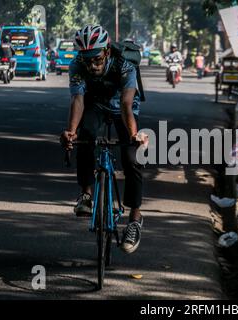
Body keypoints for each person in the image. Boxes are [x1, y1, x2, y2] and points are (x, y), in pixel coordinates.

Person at [60, 25, 148, 254]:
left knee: (132, 156)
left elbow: (128, 105)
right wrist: (70, 131)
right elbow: (77, 99)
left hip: (123, 106)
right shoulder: (77, 66)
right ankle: (86, 194)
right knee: (85, 136)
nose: (92, 65)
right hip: (95, 104)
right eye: (87, 59)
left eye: (97, 59)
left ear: (107, 51)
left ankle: (135, 219)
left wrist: (133, 135)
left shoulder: (125, 65)